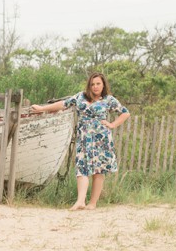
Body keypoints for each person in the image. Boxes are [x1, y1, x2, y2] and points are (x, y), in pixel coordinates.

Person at [30, 71, 130, 211]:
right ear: (89, 85)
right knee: (81, 168)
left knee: (98, 171)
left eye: (98, 84)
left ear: (103, 85)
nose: (95, 86)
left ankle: (92, 203)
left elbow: (125, 113)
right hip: (84, 139)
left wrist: (112, 124)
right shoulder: (80, 97)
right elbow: (63, 104)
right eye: (92, 84)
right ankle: (80, 201)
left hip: (101, 139)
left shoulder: (109, 100)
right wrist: (42, 109)